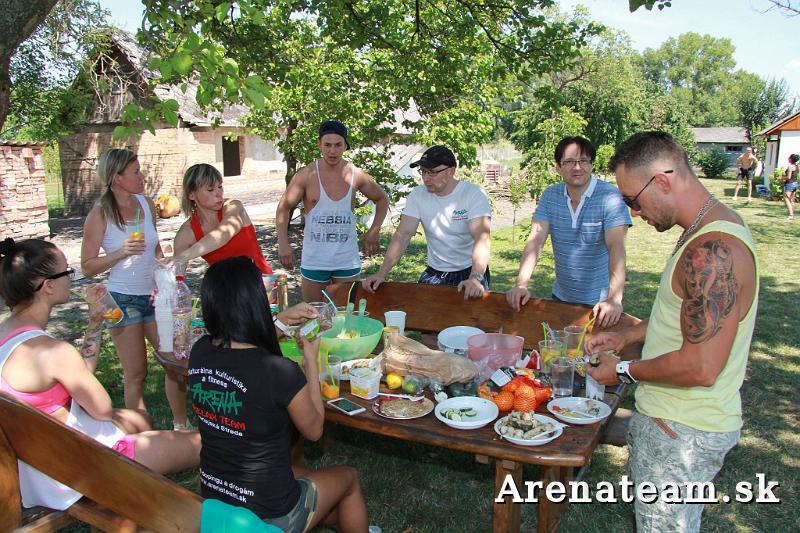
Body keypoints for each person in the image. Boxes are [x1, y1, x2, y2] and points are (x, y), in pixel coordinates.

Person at [585, 131, 758, 532]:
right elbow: (690, 318)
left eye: (632, 200)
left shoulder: (713, 252)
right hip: (676, 422)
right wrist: (628, 337)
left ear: (662, 181)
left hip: (682, 429)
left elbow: (701, 366)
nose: (634, 213)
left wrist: (622, 370)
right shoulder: (709, 229)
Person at [0, 238, 200, 511]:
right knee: (203, 444)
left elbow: (77, 375)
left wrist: (95, 322)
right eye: (67, 272)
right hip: (77, 469)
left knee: (141, 419)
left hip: (32, 466)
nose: (72, 277)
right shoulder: (52, 352)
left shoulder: (9, 336)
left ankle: (138, 482)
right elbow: (102, 409)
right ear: (48, 286)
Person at [189, 257, 369, 532]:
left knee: (316, 489)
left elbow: (241, 346)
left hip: (214, 493)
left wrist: (281, 322)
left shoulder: (199, 351)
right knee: (349, 478)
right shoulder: (279, 372)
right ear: (257, 304)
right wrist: (311, 360)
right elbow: (314, 431)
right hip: (271, 511)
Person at [81, 148, 190, 430]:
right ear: (117, 178)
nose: (143, 177)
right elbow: (88, 267)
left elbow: (154, 249)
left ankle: (181, 425)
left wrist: (164, 272)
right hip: (121, 300)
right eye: (136, 172)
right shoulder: (99, 214)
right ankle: (142, 436)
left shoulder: (146, 204)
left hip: (154, 297)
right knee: (136, 373)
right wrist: (121, 252)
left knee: (175, 362)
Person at [505, 136, 631, 327]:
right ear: (558, 166)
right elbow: (536, 240)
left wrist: (614, 298)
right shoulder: (550, 195)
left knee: (594, 347)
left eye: (583, 161)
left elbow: (616, 246)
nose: (577, 167)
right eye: (570, 161)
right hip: (561, 297)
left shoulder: (610, 196)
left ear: (592, 164)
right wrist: (521, 285)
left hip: (600, 303)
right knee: (560, 345)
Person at [276, 120, 389, 302]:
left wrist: (374, 230)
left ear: (345, 146)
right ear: (319, 144)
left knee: (346, 314)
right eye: (327, 145)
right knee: (314, 313)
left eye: (338, 145)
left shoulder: (355, 174)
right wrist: (283, 243)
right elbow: (284, 207)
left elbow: (382, 198)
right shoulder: (307, 174)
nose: (332, 151)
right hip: (315, 260)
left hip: (346, 259)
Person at [362, 145, 492, 300]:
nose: (425, 178)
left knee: (470, 316)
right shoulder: (418, 195)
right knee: (421, 312)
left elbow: (482, 238)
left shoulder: (473, 194)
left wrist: (476, 278)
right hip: (435, 272)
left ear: (451, 171)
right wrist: (381, 274)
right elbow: (402, 235)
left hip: (470, 271)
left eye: (432, 172)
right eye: (423, 171)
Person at [172, 163, 274, 273]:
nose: (219, 194)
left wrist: (182, 257)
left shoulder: (233, 206)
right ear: (191, 194)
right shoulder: (186, 232)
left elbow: (223, 234)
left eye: (220, 187)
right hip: (225, 284)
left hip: (261, 279)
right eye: (210, 189)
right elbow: (177, 274)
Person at [783, 153, 798, 220]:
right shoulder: (796, 166)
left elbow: (788, 177)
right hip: (795, 183)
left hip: (790, 184)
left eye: (789, 157)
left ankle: (790, 215)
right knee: (792, 200)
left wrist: (781, 178)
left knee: (786, 199)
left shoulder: (790, 167)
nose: (788, 158)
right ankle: (792, 214)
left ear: (791, 159)